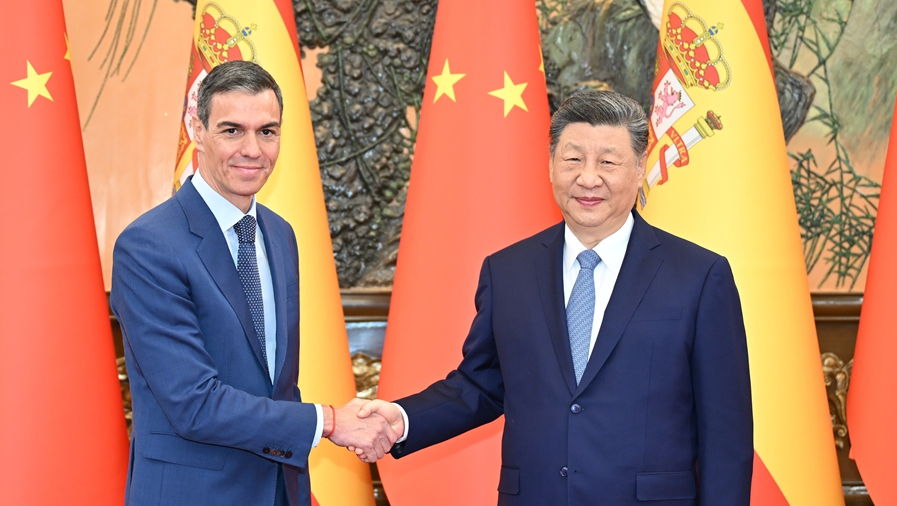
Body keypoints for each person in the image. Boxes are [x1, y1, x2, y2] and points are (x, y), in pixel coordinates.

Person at [357, 90, 753, 505]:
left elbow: (724, 431)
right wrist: (400, 420)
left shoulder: (700, 276)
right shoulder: (508, 271)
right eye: (573, 159)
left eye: (608, 162)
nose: (588, 178)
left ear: (640, 169)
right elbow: (482, 384)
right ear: (550, 166)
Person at [110, 60, 397, 506]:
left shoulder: (280, 235)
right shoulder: (149, 246)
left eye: (267, 131)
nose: (252, 149)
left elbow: (277, 385)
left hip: (280, 491)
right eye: (231, 130)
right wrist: (330, 423)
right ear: (197, 130)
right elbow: (194, 403)